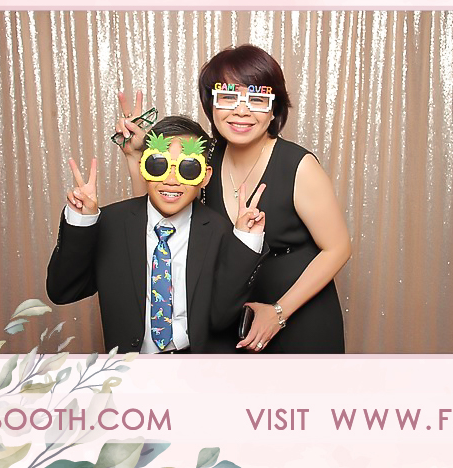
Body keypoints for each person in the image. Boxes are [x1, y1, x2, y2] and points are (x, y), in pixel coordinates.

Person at [117, 46, 352, 352]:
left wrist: (278, 313)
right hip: (228, 314)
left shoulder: (299, 165)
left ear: (274, 109)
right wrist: (134, 156)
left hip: (299, 315)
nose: (241, 111)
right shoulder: (204, 158)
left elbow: (338, 248)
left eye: (257, 99)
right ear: (211, 104)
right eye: (228, 97)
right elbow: (158, 213)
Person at [48, 115, 267, 353]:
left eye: (188, 169)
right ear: (143, 167)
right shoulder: (112, 224)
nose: (171, 180)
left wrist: (247, 239)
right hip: (131, 365)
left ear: (205, 177)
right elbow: (63, 291)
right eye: (158, 165)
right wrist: (82, 221)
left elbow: (222, 317)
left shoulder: (221, 232)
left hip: (198, 365)